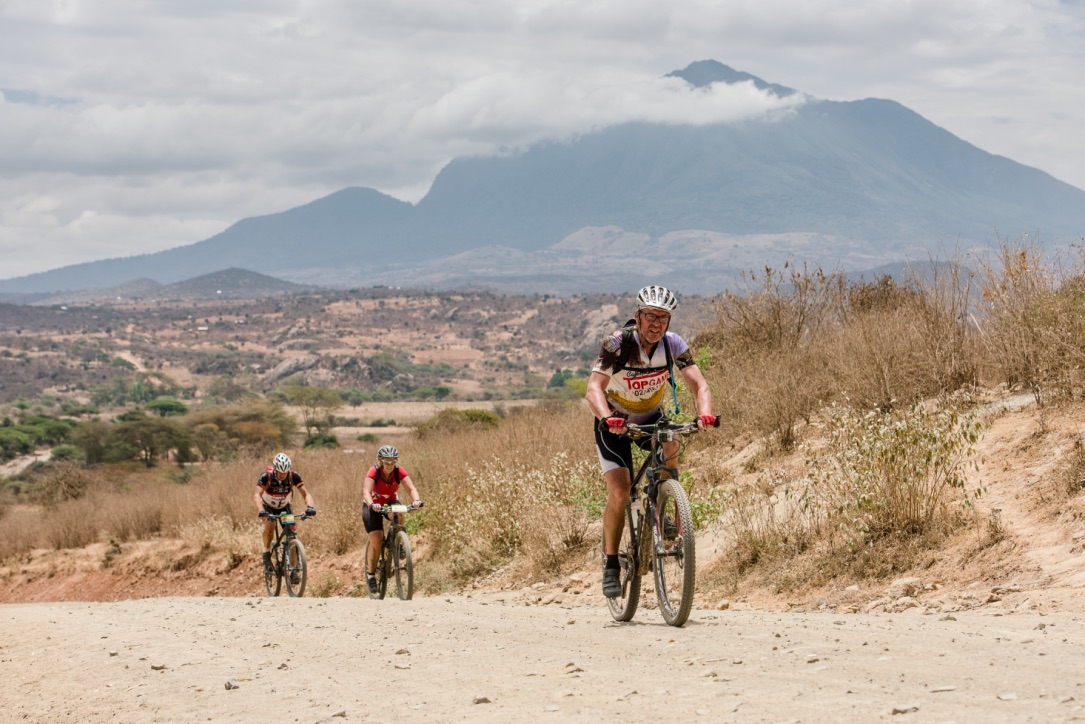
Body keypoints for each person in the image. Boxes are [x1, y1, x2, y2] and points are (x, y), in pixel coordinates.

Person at [585, 285, 716, 599]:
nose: (655, 323)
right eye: (649, 316)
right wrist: (607, 417)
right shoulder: (616, 344)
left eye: (662, 317)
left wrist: (705, 414)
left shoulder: (673, 345)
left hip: (649, 416)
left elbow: (700, 385)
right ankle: (612, 563)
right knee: (619, 489)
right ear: (637, 316)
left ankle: (664, 508)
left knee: (671, 443)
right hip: (614, 422)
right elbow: (593, 389)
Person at [362, 445, 423, 595]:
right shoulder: (374, 471)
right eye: (386, 461)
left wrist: (416, 500)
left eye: (392, 461)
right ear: (380, 461)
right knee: (376, 539)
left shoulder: (399, 471)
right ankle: (371, 575)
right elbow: (366, 491)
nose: (389, 465)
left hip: (390, 502)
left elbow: (411, 488)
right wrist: (371, 504)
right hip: (373, 505)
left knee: (401, 512)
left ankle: (398, 542)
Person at [254, 452, 316, 583]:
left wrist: (310, 507)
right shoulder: (266, 477)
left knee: (291, 535)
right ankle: (266, 553)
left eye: (285, 472)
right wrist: (261, 510)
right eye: (280, 473)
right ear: (275, 469)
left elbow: (306, 494)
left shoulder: (294, 476)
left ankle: (293, 570)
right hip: (268, 508)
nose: (282, 475)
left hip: (285, 507)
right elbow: (257, 495)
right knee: (270, 526)